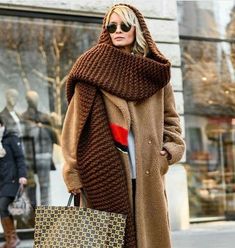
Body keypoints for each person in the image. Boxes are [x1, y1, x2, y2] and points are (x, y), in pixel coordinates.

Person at [61, 4, 185, 248]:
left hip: (148, 173)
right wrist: (72, 175)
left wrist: (169, 150)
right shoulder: (91, 68)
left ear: (136, 29)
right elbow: (72, 129)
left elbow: (171, 121)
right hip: (104, 173)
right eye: (112, 26)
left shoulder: (155, 73)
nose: (118, 31)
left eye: (124, 25)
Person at [22, 90, 58, 206]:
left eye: (35, 99)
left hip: (43, 156)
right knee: (31, 187)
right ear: (27, 101)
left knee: (44, 187)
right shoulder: (23, 118)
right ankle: (34, 216)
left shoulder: (44, 118)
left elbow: (54, 138)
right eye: (32, 99)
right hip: (30, 158)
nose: (34, 102)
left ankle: (44, 217)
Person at [0, 116, 27, 248]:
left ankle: (12, 238)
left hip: (12, 179)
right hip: (1, 180)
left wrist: (22, 175)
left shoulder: (11, 138)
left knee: (3, 205)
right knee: (2, 209)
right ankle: (12, 238)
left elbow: (20, 158)